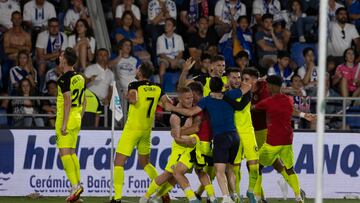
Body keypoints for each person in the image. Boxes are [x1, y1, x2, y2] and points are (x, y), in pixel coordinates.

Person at [169, 77, 252, 203]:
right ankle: (234, 194)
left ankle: (225, 198)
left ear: (210, 87)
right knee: (230, 169)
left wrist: (172, 108)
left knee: (219, 171)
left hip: (221, 137)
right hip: (235, 136)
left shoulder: (206, 100)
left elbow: (191, 112)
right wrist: (236, 82)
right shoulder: (229, 94)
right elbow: (248, 86)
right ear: (222, 86)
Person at [111, 62, 172, 203]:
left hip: (132, 129)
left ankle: (117, 198)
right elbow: (167, 104)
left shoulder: (134, 85)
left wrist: (128, 97)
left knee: (118, 163)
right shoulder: (157, 87)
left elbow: (133, 99)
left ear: (140, 72)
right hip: (146, 130)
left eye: (137, 69)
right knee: (145, 163)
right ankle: (162, 191)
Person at [251, 75, 312, 203]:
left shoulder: (268, 102)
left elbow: (253, 109)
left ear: (272, 86)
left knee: (256, 166)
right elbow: (293, 111)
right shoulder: (288, 99)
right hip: (287, 141)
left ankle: (256, 197)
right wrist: (304, 115)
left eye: (268, 85)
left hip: (272, 142)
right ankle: (298, 197)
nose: (266, 87)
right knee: (289, 169)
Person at [139, 87, 198, 203]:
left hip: (192, 148)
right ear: (180, 99)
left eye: (191, 97)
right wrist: (188, 140)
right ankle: (145, 197)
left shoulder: (194, 109)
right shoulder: (175, 117)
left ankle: (157, 197)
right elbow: (177, 138)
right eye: (187, 98)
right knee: (168, 174)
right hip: (181, 147)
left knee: (177, 176)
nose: (190, 100)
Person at [223, 68, 259, 203]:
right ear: (228, 79)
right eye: (234, 77)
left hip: (248, 132)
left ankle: (250, 191)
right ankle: (237, 196)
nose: (237, 80)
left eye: (239, 77)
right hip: (233, 134)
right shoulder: (225, 92)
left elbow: (239, 107)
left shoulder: (246, 90)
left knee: (254, 167)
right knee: (234, 169)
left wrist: (225, 97)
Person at [55, 47, 86, 202]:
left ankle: (75, 187)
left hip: (66, 118)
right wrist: (79, 116)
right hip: (77, 117)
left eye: (61, 56)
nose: (59, 59)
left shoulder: (63, 78)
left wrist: (64, 124)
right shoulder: (80, 77)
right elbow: (85, 100)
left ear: (66, 59)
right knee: (72, 152)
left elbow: (67, 101)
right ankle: (78, 186)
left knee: (64, 153)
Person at [156, 18, 185, 85]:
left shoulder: (179, 38)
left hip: (176, 59)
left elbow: (180, 53)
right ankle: (161, 86)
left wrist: (175, 60)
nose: (166, 26)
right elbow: (161, 54)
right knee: (162, 65)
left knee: (184, 65)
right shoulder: (160, 38)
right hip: (165, 59)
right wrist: (171, 61)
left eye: (169, 25)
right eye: (165, 25)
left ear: (174, 27)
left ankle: (181, 85)